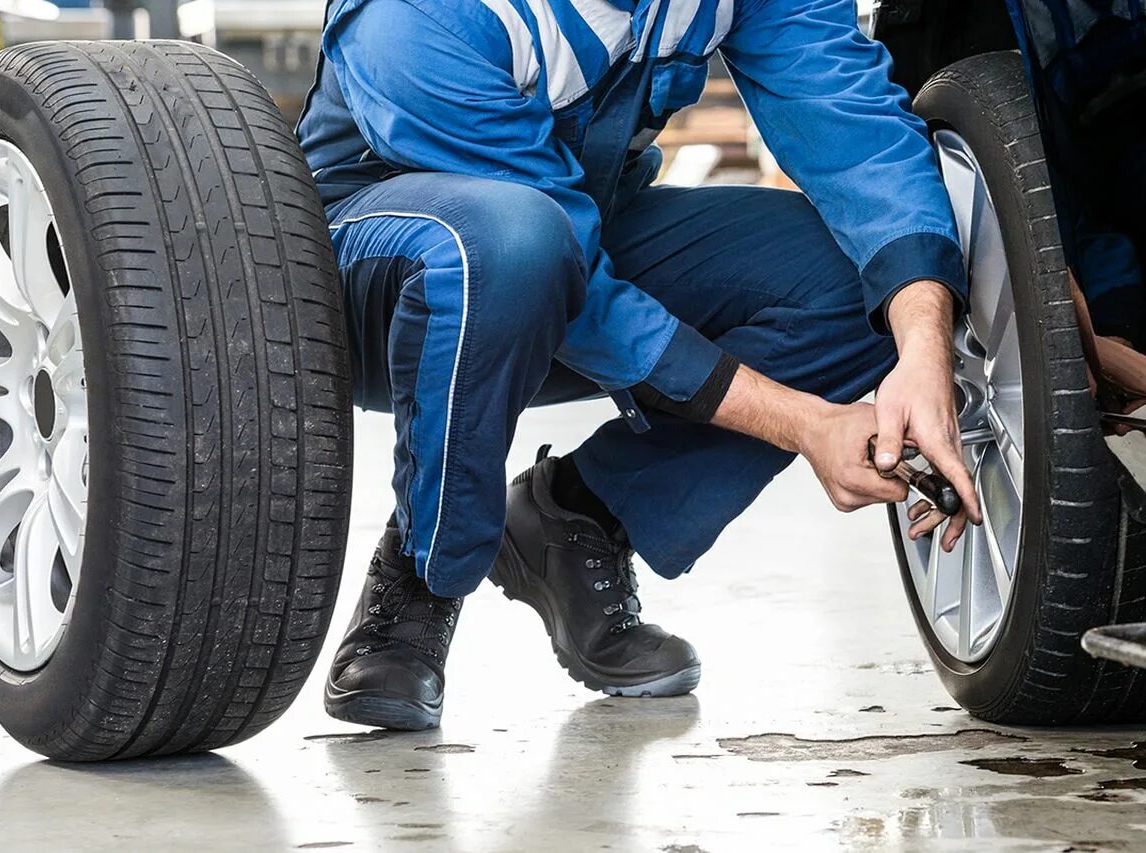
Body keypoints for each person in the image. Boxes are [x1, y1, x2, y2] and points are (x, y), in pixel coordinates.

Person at [297, 0, 984, 731]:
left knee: (867, 282)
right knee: (514, 241)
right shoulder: (422, 15)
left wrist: (921, 343)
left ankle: (579, 514)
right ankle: (421, 569)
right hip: (372, 273)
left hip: (574, 230)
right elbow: (564, 273)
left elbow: (857, 133)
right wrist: (802, 422)